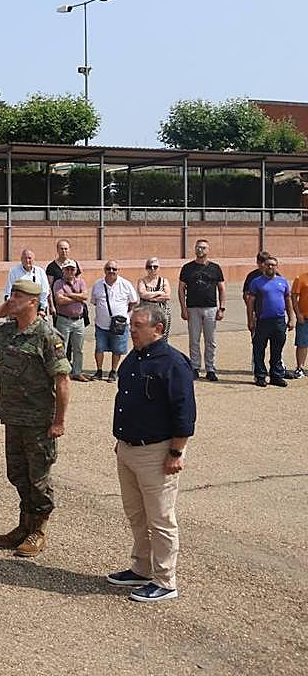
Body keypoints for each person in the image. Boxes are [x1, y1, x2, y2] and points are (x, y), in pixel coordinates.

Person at [0, 279, 71, 558]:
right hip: (12, 417)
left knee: (38, 479)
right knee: (18, 475)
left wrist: (59, 420)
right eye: (11, 294)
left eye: (18, 296)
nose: (12, 298)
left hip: (39, 421)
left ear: (33, 302)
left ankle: (39, 530)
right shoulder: (6, 330)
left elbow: (62, 380)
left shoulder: (47, 335)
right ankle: (23, 525)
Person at [108, 304, 196, 603]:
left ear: (157, 329)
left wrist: (176, 451)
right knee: (136, 514)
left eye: (138, 325)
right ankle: (142, 568)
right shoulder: (135, 357)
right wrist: (121, 441)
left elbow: (184, 411)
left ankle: (165, 580)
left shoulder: (173, 363)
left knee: (160, 518)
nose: (131, 329)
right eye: (132, 324)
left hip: (157, 452)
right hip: (128, 448)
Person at [178, 239, 226, 381]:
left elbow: (222, 288)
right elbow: (181, 289)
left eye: (203, 248)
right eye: (198, 247)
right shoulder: (187, 268)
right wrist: (183, 308)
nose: (200, 250)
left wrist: (222, 307)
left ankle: (210, 368)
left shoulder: (215, 268)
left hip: (211, 308)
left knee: (210, 340)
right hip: (193, 308)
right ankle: (195, 367)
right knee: (194, 339)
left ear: (208, 250)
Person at [245, 253, 293, 387]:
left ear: (276, 266)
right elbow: (250, 302)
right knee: (259, 349)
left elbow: (288, 299)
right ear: (263, 266)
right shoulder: (256, 282)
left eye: (273, 264)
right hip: (262, 321)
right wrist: (250, 320)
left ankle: (276, 376)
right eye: (268, 264)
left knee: (277, 350)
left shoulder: (282, 281)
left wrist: (291, 318)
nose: (270, 266)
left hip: (279, 321)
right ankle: (260, 376)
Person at [91, 261, 139, 381]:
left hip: (119, 325)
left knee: (117, 349)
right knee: (99, 348)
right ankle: (99, 371)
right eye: (108, 268)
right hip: (101, 324)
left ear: (118, 270)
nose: (111, 271)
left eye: (114, 269)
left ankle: (113, 371)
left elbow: (134, 301)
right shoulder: (98, 284)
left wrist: (124, 314)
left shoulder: (125, 284)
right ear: (104, 270)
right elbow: (94, 301)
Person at [52, 260, 91, 382]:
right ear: (63, 270)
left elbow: (85, 296)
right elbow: (59, 300)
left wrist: (69, 295)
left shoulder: (81, 281)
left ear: (75, 271)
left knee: (78, 348)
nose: (70, 271)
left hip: (79, 321)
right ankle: (62, 372)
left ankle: (77, 372)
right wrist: (77, 297)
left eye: (72, 269)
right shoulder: (58, 283)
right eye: (67, 269)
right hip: (64, 320)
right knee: (61, 348)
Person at [5, 249, 50, 315]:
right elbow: (8, 292)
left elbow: (45, 292)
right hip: (19, 309)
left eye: (29, 258)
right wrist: (11, 309)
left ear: (34, 259)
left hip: (37, 309)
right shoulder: (14, 272)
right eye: (25, 258)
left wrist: (42, 308)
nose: (27, 260)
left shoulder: (40, 272)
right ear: (21, 259)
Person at [136, 258, 172, 335]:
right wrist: (159, 293)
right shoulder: (142, 281)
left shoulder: (164, 281)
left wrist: (150, 296)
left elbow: (167, 296)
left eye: (155, 267)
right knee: (146, 335)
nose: (152, 269)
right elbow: (142, 294)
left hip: (162, 312)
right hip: (146, 312)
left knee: (162, 334)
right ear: (146, 268)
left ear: (158, 268)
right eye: (150, 267)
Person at [45, 239, 81, 312]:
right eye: (61, 249)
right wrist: (51, 305)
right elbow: (49, 288)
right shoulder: (51, 267)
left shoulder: (74, 264)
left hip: (74, 301)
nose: (64, 251)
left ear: (69, 250)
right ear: (57, 250)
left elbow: (79, 284)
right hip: (59, 303)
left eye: (66, 249)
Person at [291, 266, 308, 378]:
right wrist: (298, 314)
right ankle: (300, 368)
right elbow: (293, 297)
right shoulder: (301, 278)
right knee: (302, 343)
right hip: (304, 318)